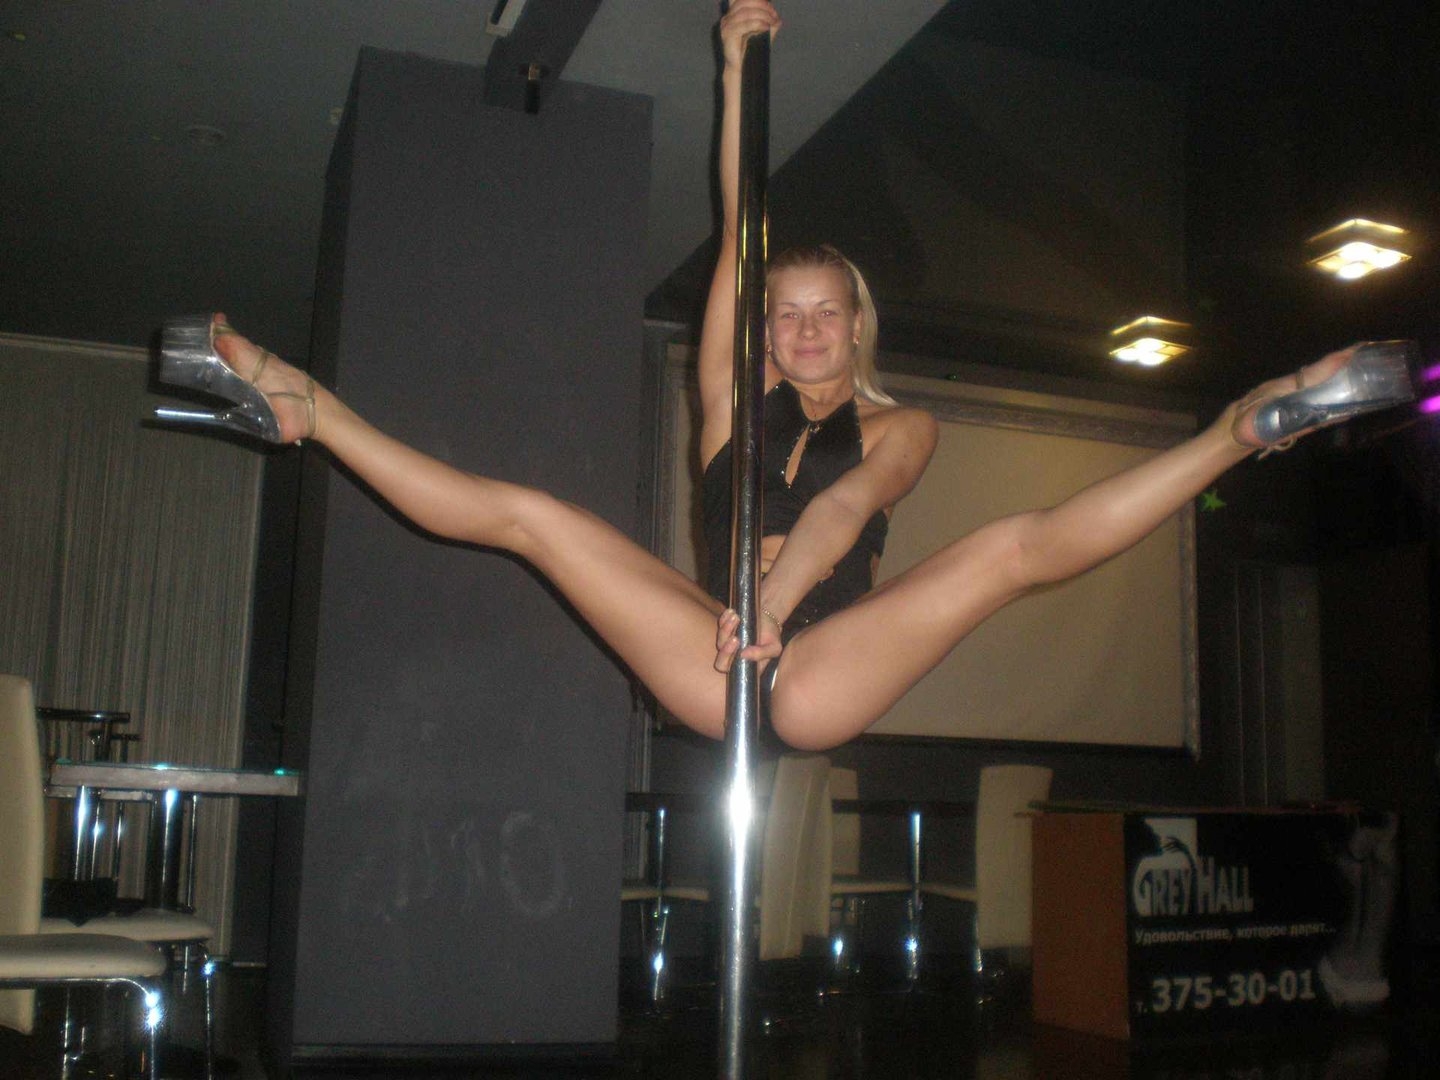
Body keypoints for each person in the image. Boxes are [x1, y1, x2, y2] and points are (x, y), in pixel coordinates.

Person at [152, 0, 1412, 753]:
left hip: (811, 669)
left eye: (825, 315)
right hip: (714, 654)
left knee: (1008, 553)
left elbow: (847, 508)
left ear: (857, 329)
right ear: (767, 333)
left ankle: (1243, 427)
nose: (803, 330)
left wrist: (776, 606)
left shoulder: (901, 426)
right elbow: (737, 223)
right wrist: (737, 72)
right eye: (786, 315)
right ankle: (306, 408)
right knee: (531, 517)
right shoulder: (727, 402)